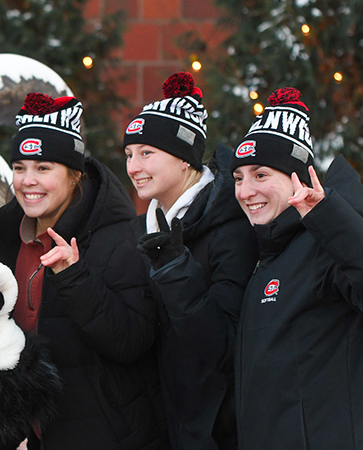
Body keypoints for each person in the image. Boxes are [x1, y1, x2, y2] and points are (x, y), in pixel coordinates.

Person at [0, 93, 167, 449]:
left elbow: (132, 340)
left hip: (109, 437)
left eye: (43, 168)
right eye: (19, 167)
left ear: (74, 175)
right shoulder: (2, 241)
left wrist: (74, 276)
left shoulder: (119, 238)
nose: (28, 181)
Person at [230, 87, 363, 449]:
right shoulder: (267, 253)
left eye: (260, 175)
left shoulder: (329, 242)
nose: (245, 190)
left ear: (298, 180)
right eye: (238, 178)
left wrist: (328, 215)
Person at [123, 72, 258, 450]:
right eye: (129, 154)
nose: (133, 166)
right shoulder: (143, 231)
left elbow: (225, 349)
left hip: (221, 432)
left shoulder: (232, 229)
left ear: (185, 159)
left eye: (147, 152)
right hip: (167, 425)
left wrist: (176, 270)